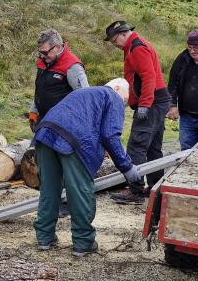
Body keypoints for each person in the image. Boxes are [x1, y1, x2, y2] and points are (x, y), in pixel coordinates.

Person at [31, 78, 141, 256]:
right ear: (118, 87)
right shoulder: (112, 95)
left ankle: (44, 237)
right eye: (125, 100)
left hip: (44, 134)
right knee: (80, 191)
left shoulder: (85, 93)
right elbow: (110, 135)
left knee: (49, 190)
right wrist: (127, 167)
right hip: (72, 140)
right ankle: (83, 243)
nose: (124, 104)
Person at [104, 20, 172, 204]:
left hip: (153, 101)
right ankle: (155, 188)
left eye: (114, 41)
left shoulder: (137, 48)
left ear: (123, 34)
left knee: (136, 145)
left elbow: (148, 76)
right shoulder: (134, 46)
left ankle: (136, 190)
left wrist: (144, 104)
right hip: (158, 100)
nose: (115, 45)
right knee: (153, 148)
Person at [29, 29, 89, 132]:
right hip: (43, 118)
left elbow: (85, 98)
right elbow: (40, 88)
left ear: (57, 47)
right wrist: (33, 111)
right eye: (40, 52)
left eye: (45, 52)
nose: (42, 56)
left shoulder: (72, 66)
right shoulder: (43, 61)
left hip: (63, 123)